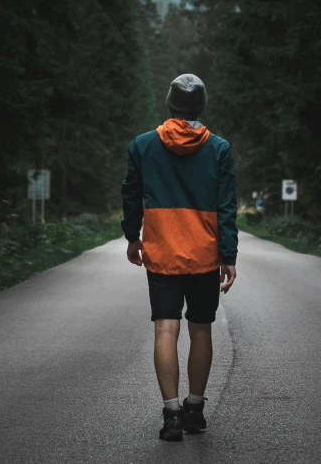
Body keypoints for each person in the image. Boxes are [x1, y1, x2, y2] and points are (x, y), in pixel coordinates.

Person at [120, 73, 238, 442]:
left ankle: (171, 415)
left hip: (162, 250)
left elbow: (130, 194)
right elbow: (226, 207)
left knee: (165, 328)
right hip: (204, 253)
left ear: (169, 105)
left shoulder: (143, 145)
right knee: (201, 329)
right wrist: (228, 254)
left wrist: (132, 237)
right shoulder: (218, 148)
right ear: (200, 107)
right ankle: (195, 410)